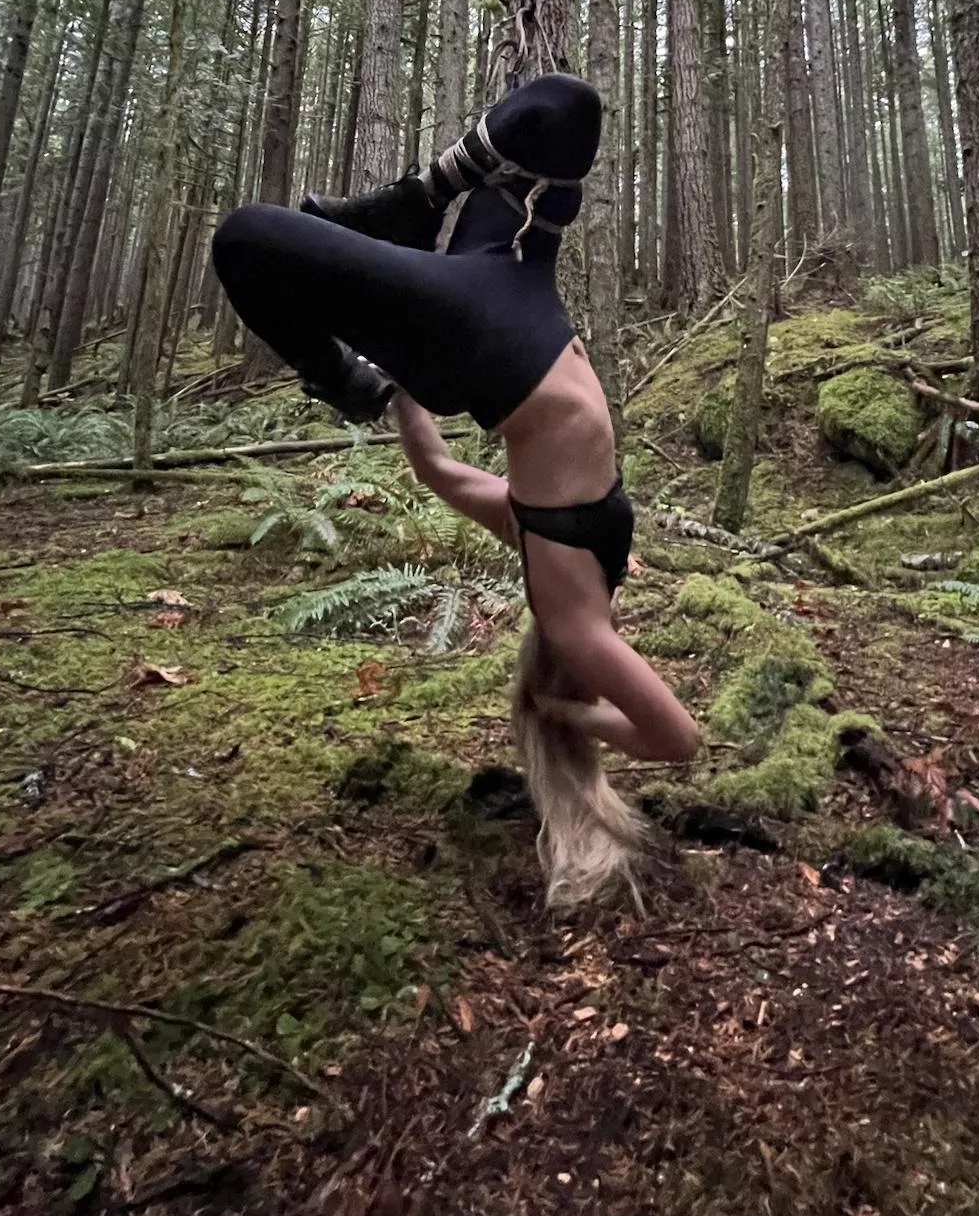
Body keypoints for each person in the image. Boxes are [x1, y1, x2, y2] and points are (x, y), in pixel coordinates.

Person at [211, 74, 699, 909]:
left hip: (484, 340)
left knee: (245, 239)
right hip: (520, 292)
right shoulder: (564, 558)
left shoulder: (572, 621)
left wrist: (558, 714)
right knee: (568, 110)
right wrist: (396, 392)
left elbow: (676, 739)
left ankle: (334, 374)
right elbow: (439, 473)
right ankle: (415, 201)